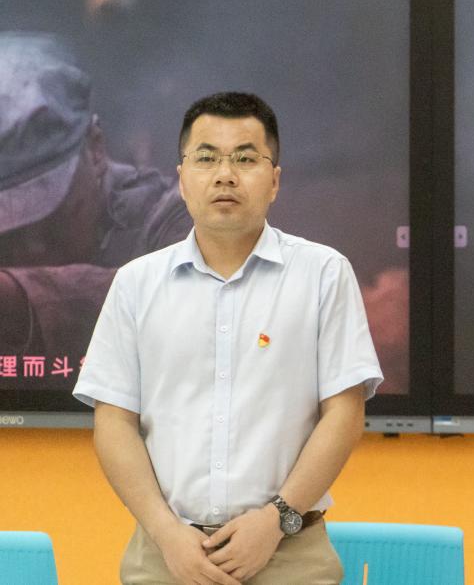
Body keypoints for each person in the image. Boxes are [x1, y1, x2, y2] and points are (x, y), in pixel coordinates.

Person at [73, 92, 383, 584]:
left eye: (245, 158)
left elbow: (344, 415)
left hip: (289, 551)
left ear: (274, 181)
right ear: (181, 179)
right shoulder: (135, 283)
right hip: (166, 554)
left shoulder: (324, 274)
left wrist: (276, 519)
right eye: (206, 158)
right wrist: (167, 534)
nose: (225, 175)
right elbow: (113, 422)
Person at [0, 32, 190, 377]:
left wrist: (16, 300)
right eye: (11, 231)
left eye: (52, 220)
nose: (33, 247)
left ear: (96, 148)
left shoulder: (172, 217)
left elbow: (200, 306)